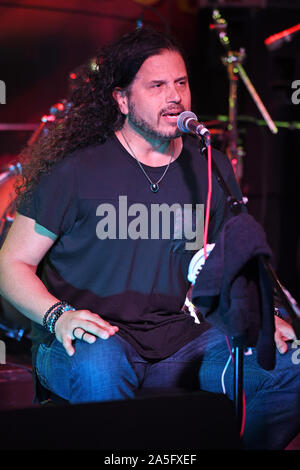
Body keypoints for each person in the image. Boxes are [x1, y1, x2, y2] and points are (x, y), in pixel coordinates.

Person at [0, 26, 299, 450]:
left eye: (180, 83)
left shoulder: (209, 166)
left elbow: (230, 259)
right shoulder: (74, 171)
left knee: (286, 368)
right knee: (101, 367)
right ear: (122, 100)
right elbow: (10, 263)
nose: (174, 96)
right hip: (90, 337)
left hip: (177, 340)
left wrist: (258, 317)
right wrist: (58, 316)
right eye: (156, 85)